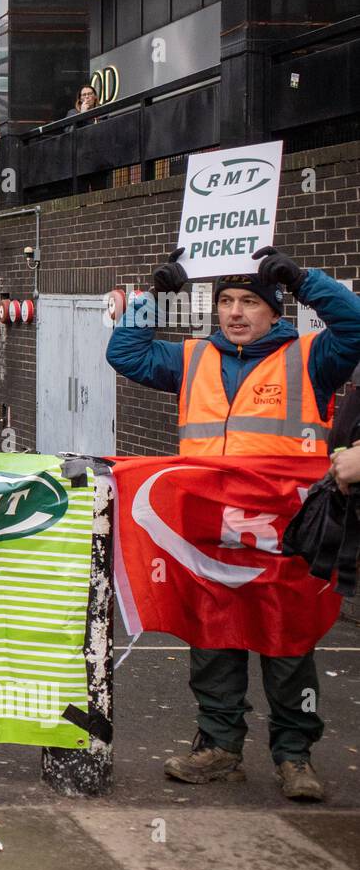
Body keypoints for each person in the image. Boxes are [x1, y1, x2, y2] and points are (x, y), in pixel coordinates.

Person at [106, 246, 360, 801]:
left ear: (275, 311)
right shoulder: (192, 358)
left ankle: (295, 757)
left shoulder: (313, 357)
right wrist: (155, 297)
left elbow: (356, 324)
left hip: (287, 538)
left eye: (250, 301)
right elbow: (124, 353)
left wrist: (303, 280)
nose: (236, 312)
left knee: (288, 645)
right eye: (225, 301)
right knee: (213, 640)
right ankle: (219, 747)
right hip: (212, 536)